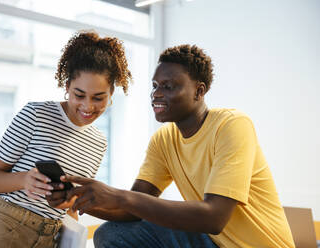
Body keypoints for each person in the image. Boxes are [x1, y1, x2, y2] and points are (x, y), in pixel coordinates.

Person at [47, 44, 295, 248]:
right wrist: (79, 200)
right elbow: (133, 210)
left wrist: (119, 196)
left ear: (199, 91)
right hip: (211, 242)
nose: (156, 94)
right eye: (155, 86)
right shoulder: (164, 139)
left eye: (168, 86)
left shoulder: (232, 125)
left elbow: (214, 218)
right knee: (110, 234)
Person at [0, 30, 132, 248]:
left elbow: (71, 207)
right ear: (67, 87)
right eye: (79, 95)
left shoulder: (99, 142)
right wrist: (24, 179)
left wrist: (70, 210)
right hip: (6, 227)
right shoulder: (35, 114)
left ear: (111, 93)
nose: (88, 106)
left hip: (52, 237)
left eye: (98, 97)